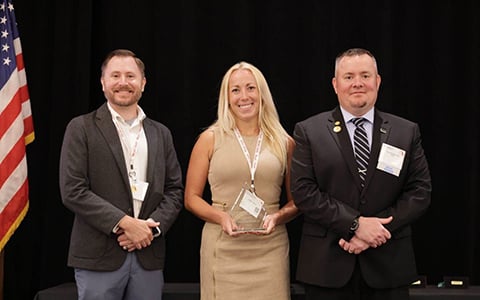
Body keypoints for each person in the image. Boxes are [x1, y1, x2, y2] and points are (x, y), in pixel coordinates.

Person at [290, 48, 432, 300]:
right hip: (326, 267)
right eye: (349, 76)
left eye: (365, 75)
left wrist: (375, 231)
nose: (358, 83)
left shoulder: (406, 131)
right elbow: (304, 192)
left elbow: (419, 192)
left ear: (377, 81)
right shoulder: (308, 131)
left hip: (388, 267)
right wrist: (354, 225)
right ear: (335, 84)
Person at [59, 49, 184, 300]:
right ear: (103, 82)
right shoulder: (81, 127)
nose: (123, 82)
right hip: (98, 257)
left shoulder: (161, 133)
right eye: (115, 75)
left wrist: (149, 231)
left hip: (147, 254)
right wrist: (126, 224)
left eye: (131, 76)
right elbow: (73, 190)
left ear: (143, 83)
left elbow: (174, 190)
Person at [184, 61, 299, 299]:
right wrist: (220, 217)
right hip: (223, 247)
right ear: (226, 98)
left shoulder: (284, 142)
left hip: (270, 248)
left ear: (262, 93)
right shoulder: (209, 139)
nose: (243, 96)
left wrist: (278, 216)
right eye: (235, 90)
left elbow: (297, 201)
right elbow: (191, 198)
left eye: (250, 88)